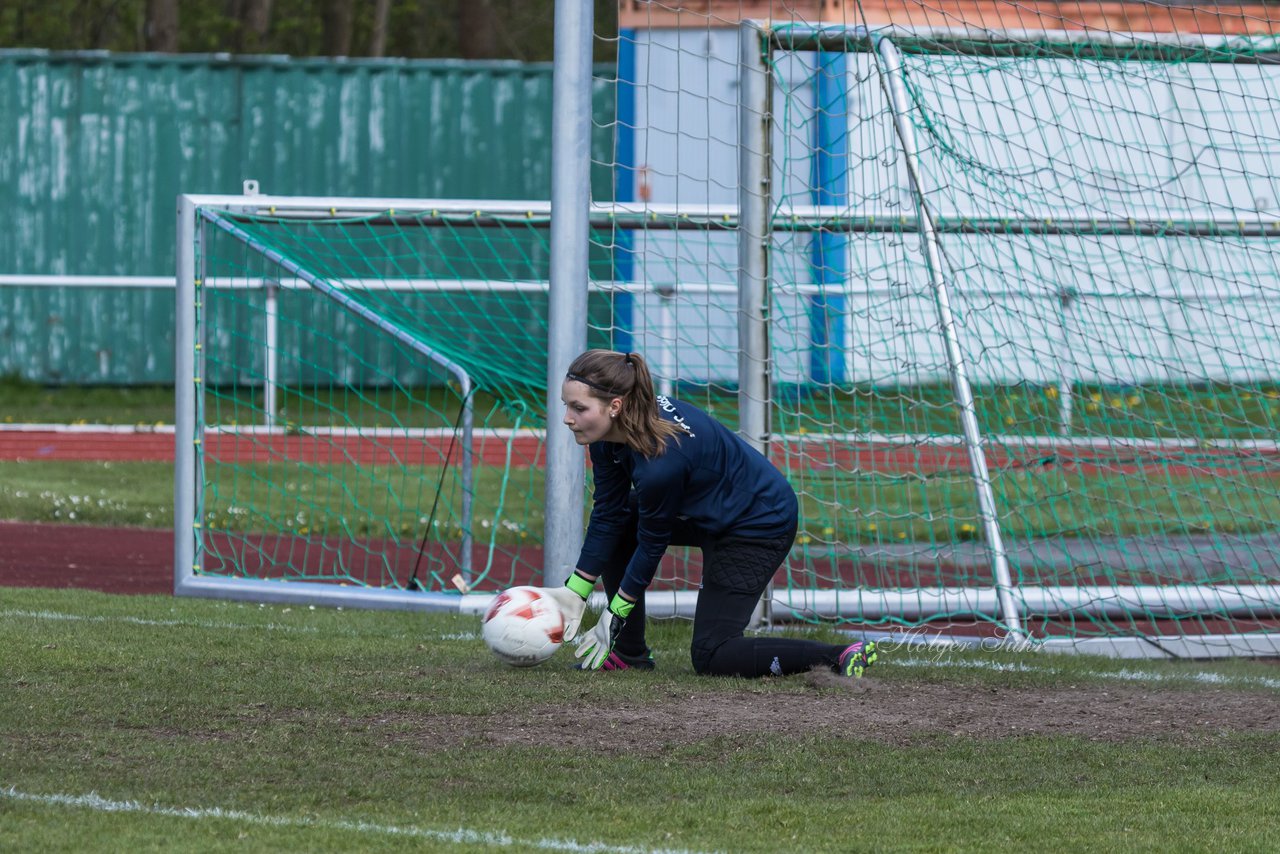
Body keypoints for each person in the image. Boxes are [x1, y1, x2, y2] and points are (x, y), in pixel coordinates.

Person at [540, 349, 877, 678]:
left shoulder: (660, 463)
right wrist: (576, 590)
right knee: (624, 516)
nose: (567, 418)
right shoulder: (605, 434)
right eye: (566, 406)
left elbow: (651, 543)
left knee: (713, 654)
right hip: (704, 512)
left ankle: (838, 654)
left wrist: (617, 611)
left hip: (757, 523)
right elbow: (609, 514)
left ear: (615, 406)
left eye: (578, 408)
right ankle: (628, 653)